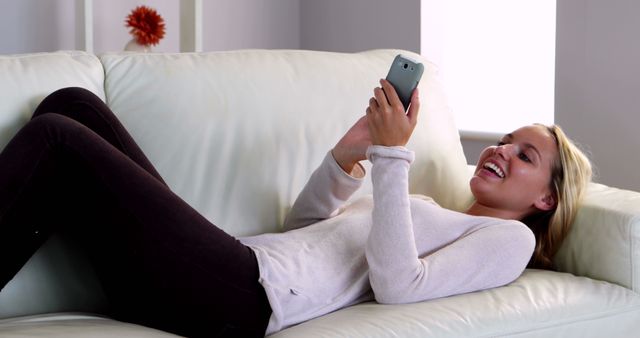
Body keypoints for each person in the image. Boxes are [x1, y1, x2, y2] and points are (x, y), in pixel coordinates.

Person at [0, 80, 591, 337]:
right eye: (506, 141)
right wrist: (353, 150)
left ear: (546, 198)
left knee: (57, 137)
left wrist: (391, 155)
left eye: (526, 155)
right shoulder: (422, 202)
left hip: (239, 298)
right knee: (72, 105)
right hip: (235, 264)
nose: (502, 150)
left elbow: (399, 285)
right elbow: (304, 230)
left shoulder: (511, 243)